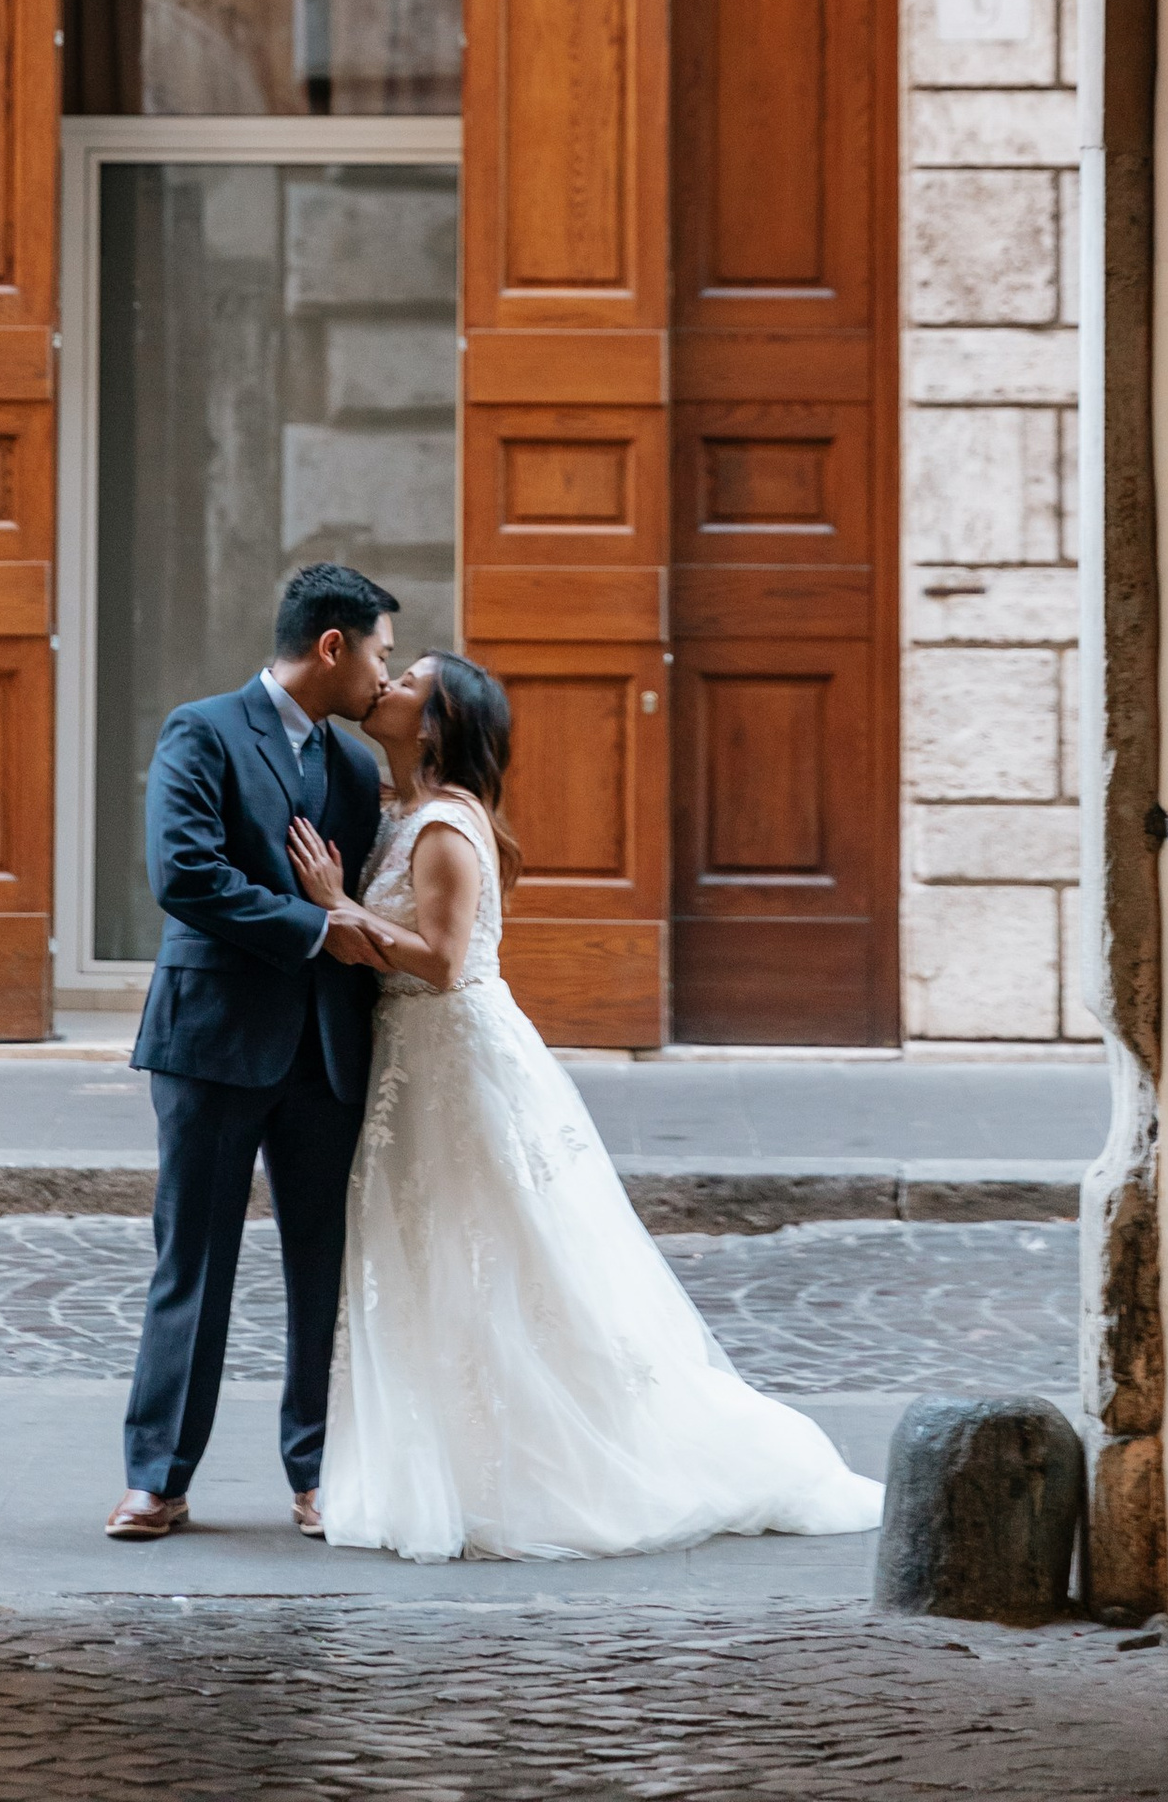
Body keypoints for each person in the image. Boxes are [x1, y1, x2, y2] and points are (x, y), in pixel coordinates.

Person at [289, 649, 888, 1562]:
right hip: (413, 1060)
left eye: (410, 683)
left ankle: (545, 1461)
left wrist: (340, 907)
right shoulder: (404, 813)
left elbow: (443, 962)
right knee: (441, 1257)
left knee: (508, 1255)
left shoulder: (445, 826)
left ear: (440, 723)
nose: (390, 686)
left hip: (455, 1060)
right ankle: (456, 1458)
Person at [108, 562, 405, 1541]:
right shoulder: (201, 730)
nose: (385, 676)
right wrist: (316, 928)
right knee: (191, 1260)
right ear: (333, 645)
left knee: (324, 1269)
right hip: (212, 1040)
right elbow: (183, 873)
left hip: (327, 1052)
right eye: (380, 654)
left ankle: (318, 1474)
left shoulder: (355, 768)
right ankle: (157, 1478)